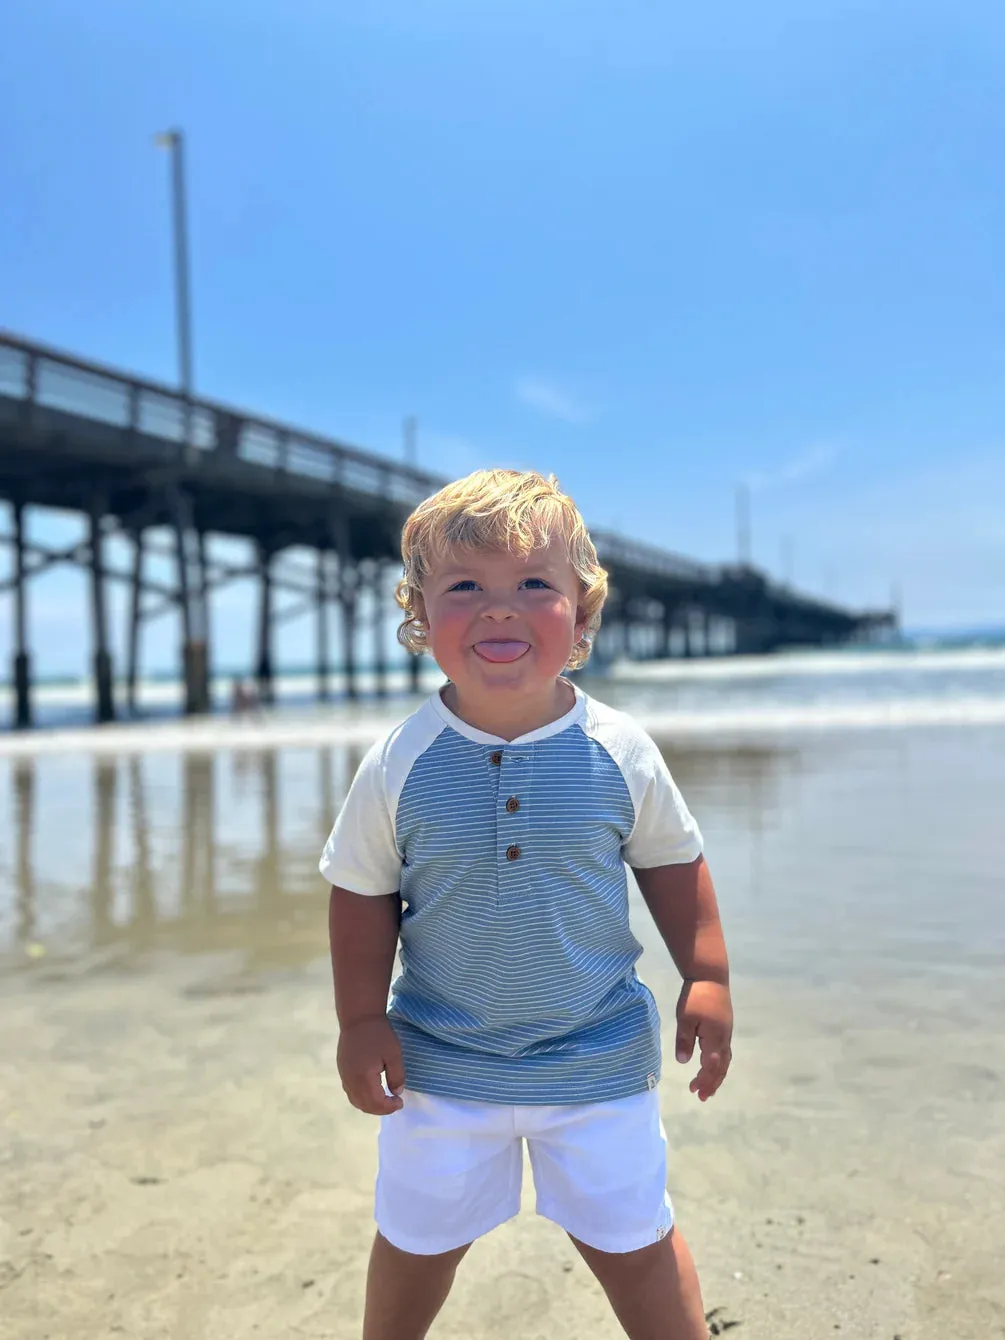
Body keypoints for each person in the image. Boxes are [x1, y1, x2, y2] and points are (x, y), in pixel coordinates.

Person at [320, 469, 733, 1340]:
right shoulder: (400, 761)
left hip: (595, 1062)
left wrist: (706, 973)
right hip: (440, 1067)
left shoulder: (619, 750)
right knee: (414, 1237)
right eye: (465, 587)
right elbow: (360, 893)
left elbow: (672, 862)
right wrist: (360, 1020)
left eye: (532, 586)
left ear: (580, 617)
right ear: (421, 615)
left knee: (635, 1236)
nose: (498, 609)